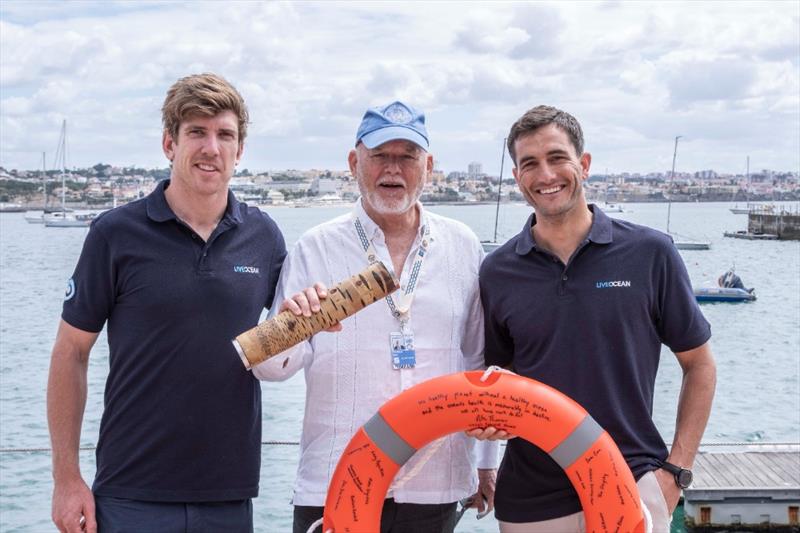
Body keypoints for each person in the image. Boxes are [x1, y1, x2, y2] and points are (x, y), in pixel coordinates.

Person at [47, 73, 286, 533]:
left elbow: (292, 340)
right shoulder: (115, 234)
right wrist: (66, 478)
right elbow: (70, 352)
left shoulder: (265, 238)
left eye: (225, 135)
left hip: (228, 495)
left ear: (240, 151)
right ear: (169, 144)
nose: (211, 147)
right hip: (130, 492)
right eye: (196, 131)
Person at [253, 101, 499, 533]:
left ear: (428, 166)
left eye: (407, 156)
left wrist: (485, 464)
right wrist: (292, 325)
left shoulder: (462, 245)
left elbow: (477, 363)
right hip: (334, 481)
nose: (394, 168)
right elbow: (271, 369)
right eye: (380, 155)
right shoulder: (316, 247)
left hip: (436, 483)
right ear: (354, 162)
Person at [477, 105, 716, 532]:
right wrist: (488, 418)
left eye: (557, 158)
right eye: (529, 164)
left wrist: (676, 472)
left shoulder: (650, 253)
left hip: (631, 480)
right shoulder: (497, 271)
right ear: (517, 178)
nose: (545, 174)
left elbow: (699, 365)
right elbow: (501, 373)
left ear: (583, 165)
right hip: (532, 497)